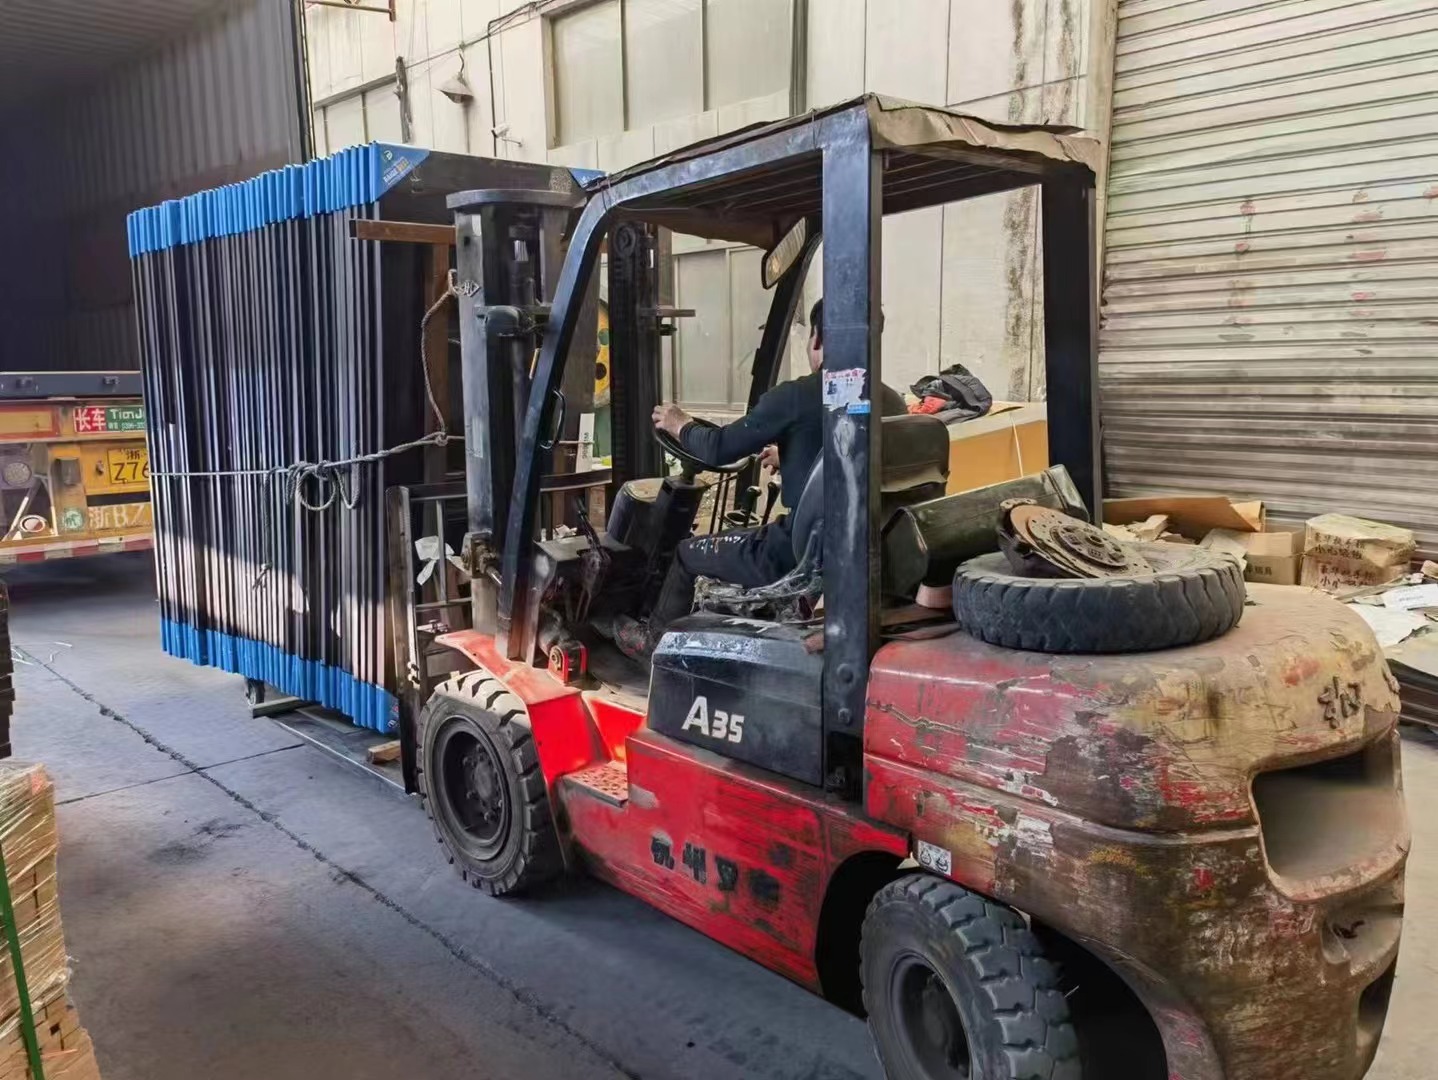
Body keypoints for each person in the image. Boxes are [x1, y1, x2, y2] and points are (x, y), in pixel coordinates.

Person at [617, 299, 904, 657]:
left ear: (816, 338)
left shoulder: (797, 396)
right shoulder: (890, 401)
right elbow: (848, 457)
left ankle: (653, 643)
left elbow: (719, 448)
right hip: (854, 547)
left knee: (687, 553)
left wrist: (680, 424)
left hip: (792, 550)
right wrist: (791, 456)